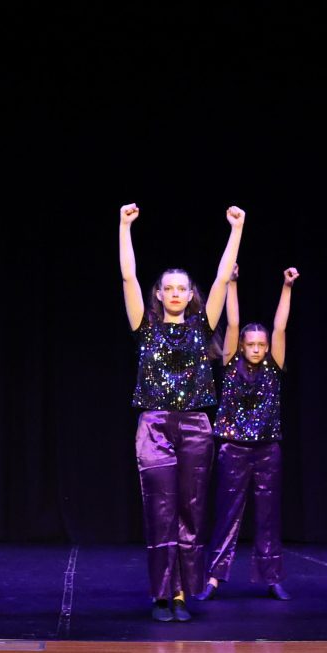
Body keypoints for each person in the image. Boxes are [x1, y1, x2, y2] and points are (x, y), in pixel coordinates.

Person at [119, 203, 242, 622]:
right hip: (154, 424)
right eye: (167, 288)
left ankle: (180, 595)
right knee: (160, 509)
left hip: (194, 424)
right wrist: (125, 227)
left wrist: (236, 230)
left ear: (191, 295)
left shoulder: (202, 324)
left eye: (181, 288)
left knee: (190, 509)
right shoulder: (145, 326)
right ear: (159, 294)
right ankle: (161, 592)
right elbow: (128, 276)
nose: (174, 293)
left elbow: (224, 277)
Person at [198, 265, 299, 603]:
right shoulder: (229, 363)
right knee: (227, 512)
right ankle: (213, 577)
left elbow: (281, 325)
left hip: (268, 449)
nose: (256, 349)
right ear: (241, 347)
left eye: (261, 344)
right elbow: (233, 323)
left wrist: (286, 287)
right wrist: (232, 284)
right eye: (251, 345)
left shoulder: (274, 365)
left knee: (269, 514)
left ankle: (272, 577)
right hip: (232, 448)